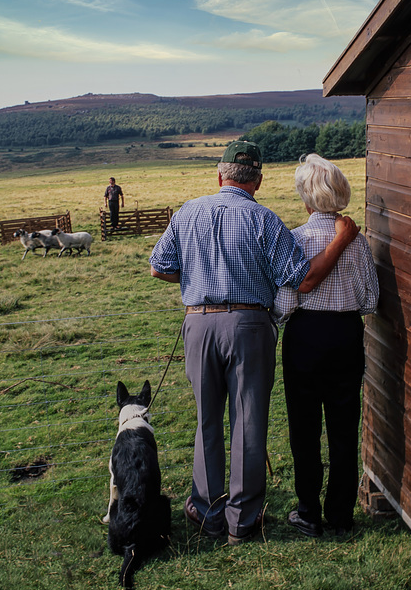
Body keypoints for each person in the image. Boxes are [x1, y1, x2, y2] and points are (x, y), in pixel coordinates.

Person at [149, 141, 360, 546]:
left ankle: (208, 513)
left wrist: (196, 280)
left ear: (219, 174)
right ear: (259, 181)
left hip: (199, 322)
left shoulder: (187, 212)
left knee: (206, 419)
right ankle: (241, 521)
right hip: (249, 324)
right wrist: (341, 239)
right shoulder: (265, 220)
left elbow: (160, 267)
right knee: (248, 422)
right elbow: (301, 278)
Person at [272, 153, 379, 538]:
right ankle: (340, 517)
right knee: (344, 428)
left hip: (304, 339)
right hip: (346, 337)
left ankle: (307, 512)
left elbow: (283, 307)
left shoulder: (295, 241)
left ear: (306, 197)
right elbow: (370, 301)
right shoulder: (358, 242)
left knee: (304, 429)